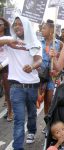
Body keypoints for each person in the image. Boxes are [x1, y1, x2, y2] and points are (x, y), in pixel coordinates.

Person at [0, 16, 42, 150]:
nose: (17, 26)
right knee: (19, 120)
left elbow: (38, 60)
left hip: (32, 85)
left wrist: (32, 66)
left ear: (27, 26)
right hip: (16, 86)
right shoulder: (9, 42)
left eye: (21, 24)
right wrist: (12, 40)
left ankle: (31, 131)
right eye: (15, 24)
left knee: (31, 113)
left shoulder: (35, 42)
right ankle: (18, 147)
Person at [40, 19, 63, 133]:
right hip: (41, 75)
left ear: (51, 30)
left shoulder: (59, 44)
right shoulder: (39, 42)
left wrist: (58, 72)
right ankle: (47, 122)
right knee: (43, 100)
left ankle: (51, 123)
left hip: (52, 76)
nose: (41, 30)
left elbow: (63, 61)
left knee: (50, 100)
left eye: (44, 28)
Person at [0, 17, 13, 122]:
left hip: (6, 66)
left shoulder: (9, 38)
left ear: (4, 26)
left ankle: (10, 111)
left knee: (7, 91)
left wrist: (2, 65)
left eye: (0, 24)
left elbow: (11, 55)